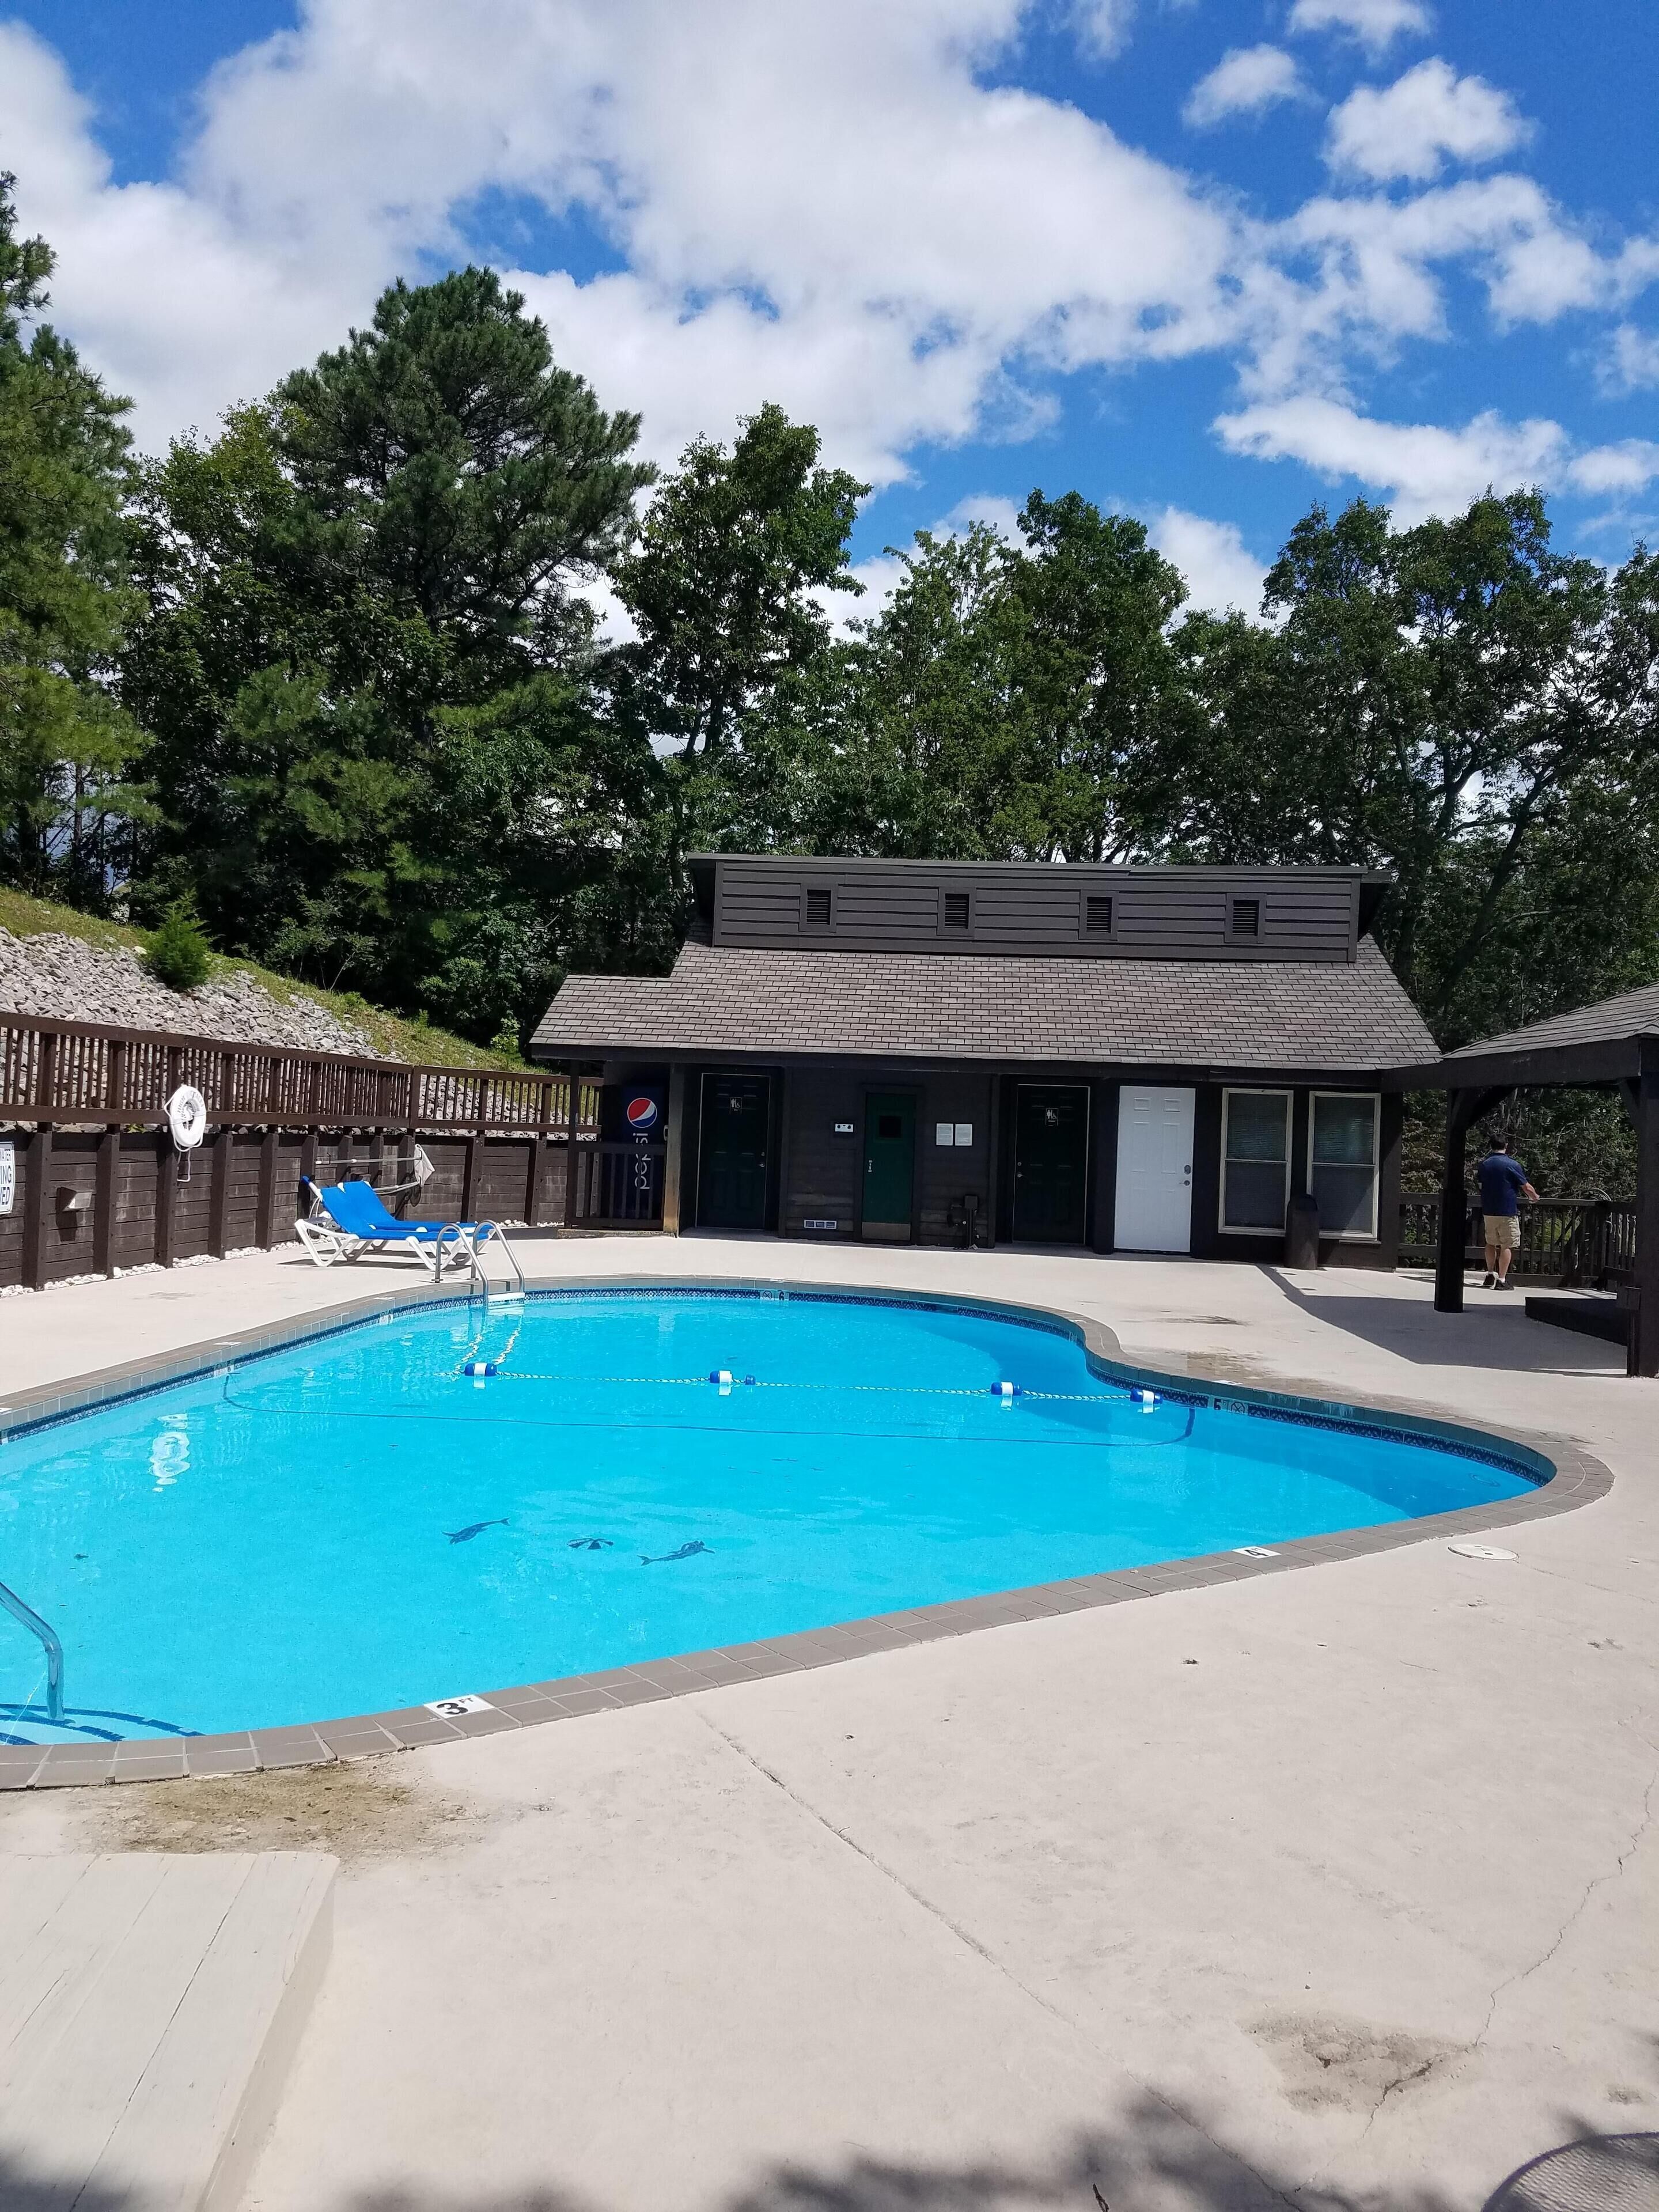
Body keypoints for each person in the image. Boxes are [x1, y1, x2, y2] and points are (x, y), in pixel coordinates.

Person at [1476, 1136, 1538, 1289]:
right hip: (1507, 1210)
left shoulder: (1484, 1164)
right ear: (1506, 1146)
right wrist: (1534, 1197)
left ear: (1491, 1146)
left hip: (1489, 1210)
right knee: (1507, 1245)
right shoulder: (1512, 1164)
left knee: (1490, 1243)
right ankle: (1502, 1280)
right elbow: (1526, 1187)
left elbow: (1479, 1183)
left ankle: (1490, 1275)